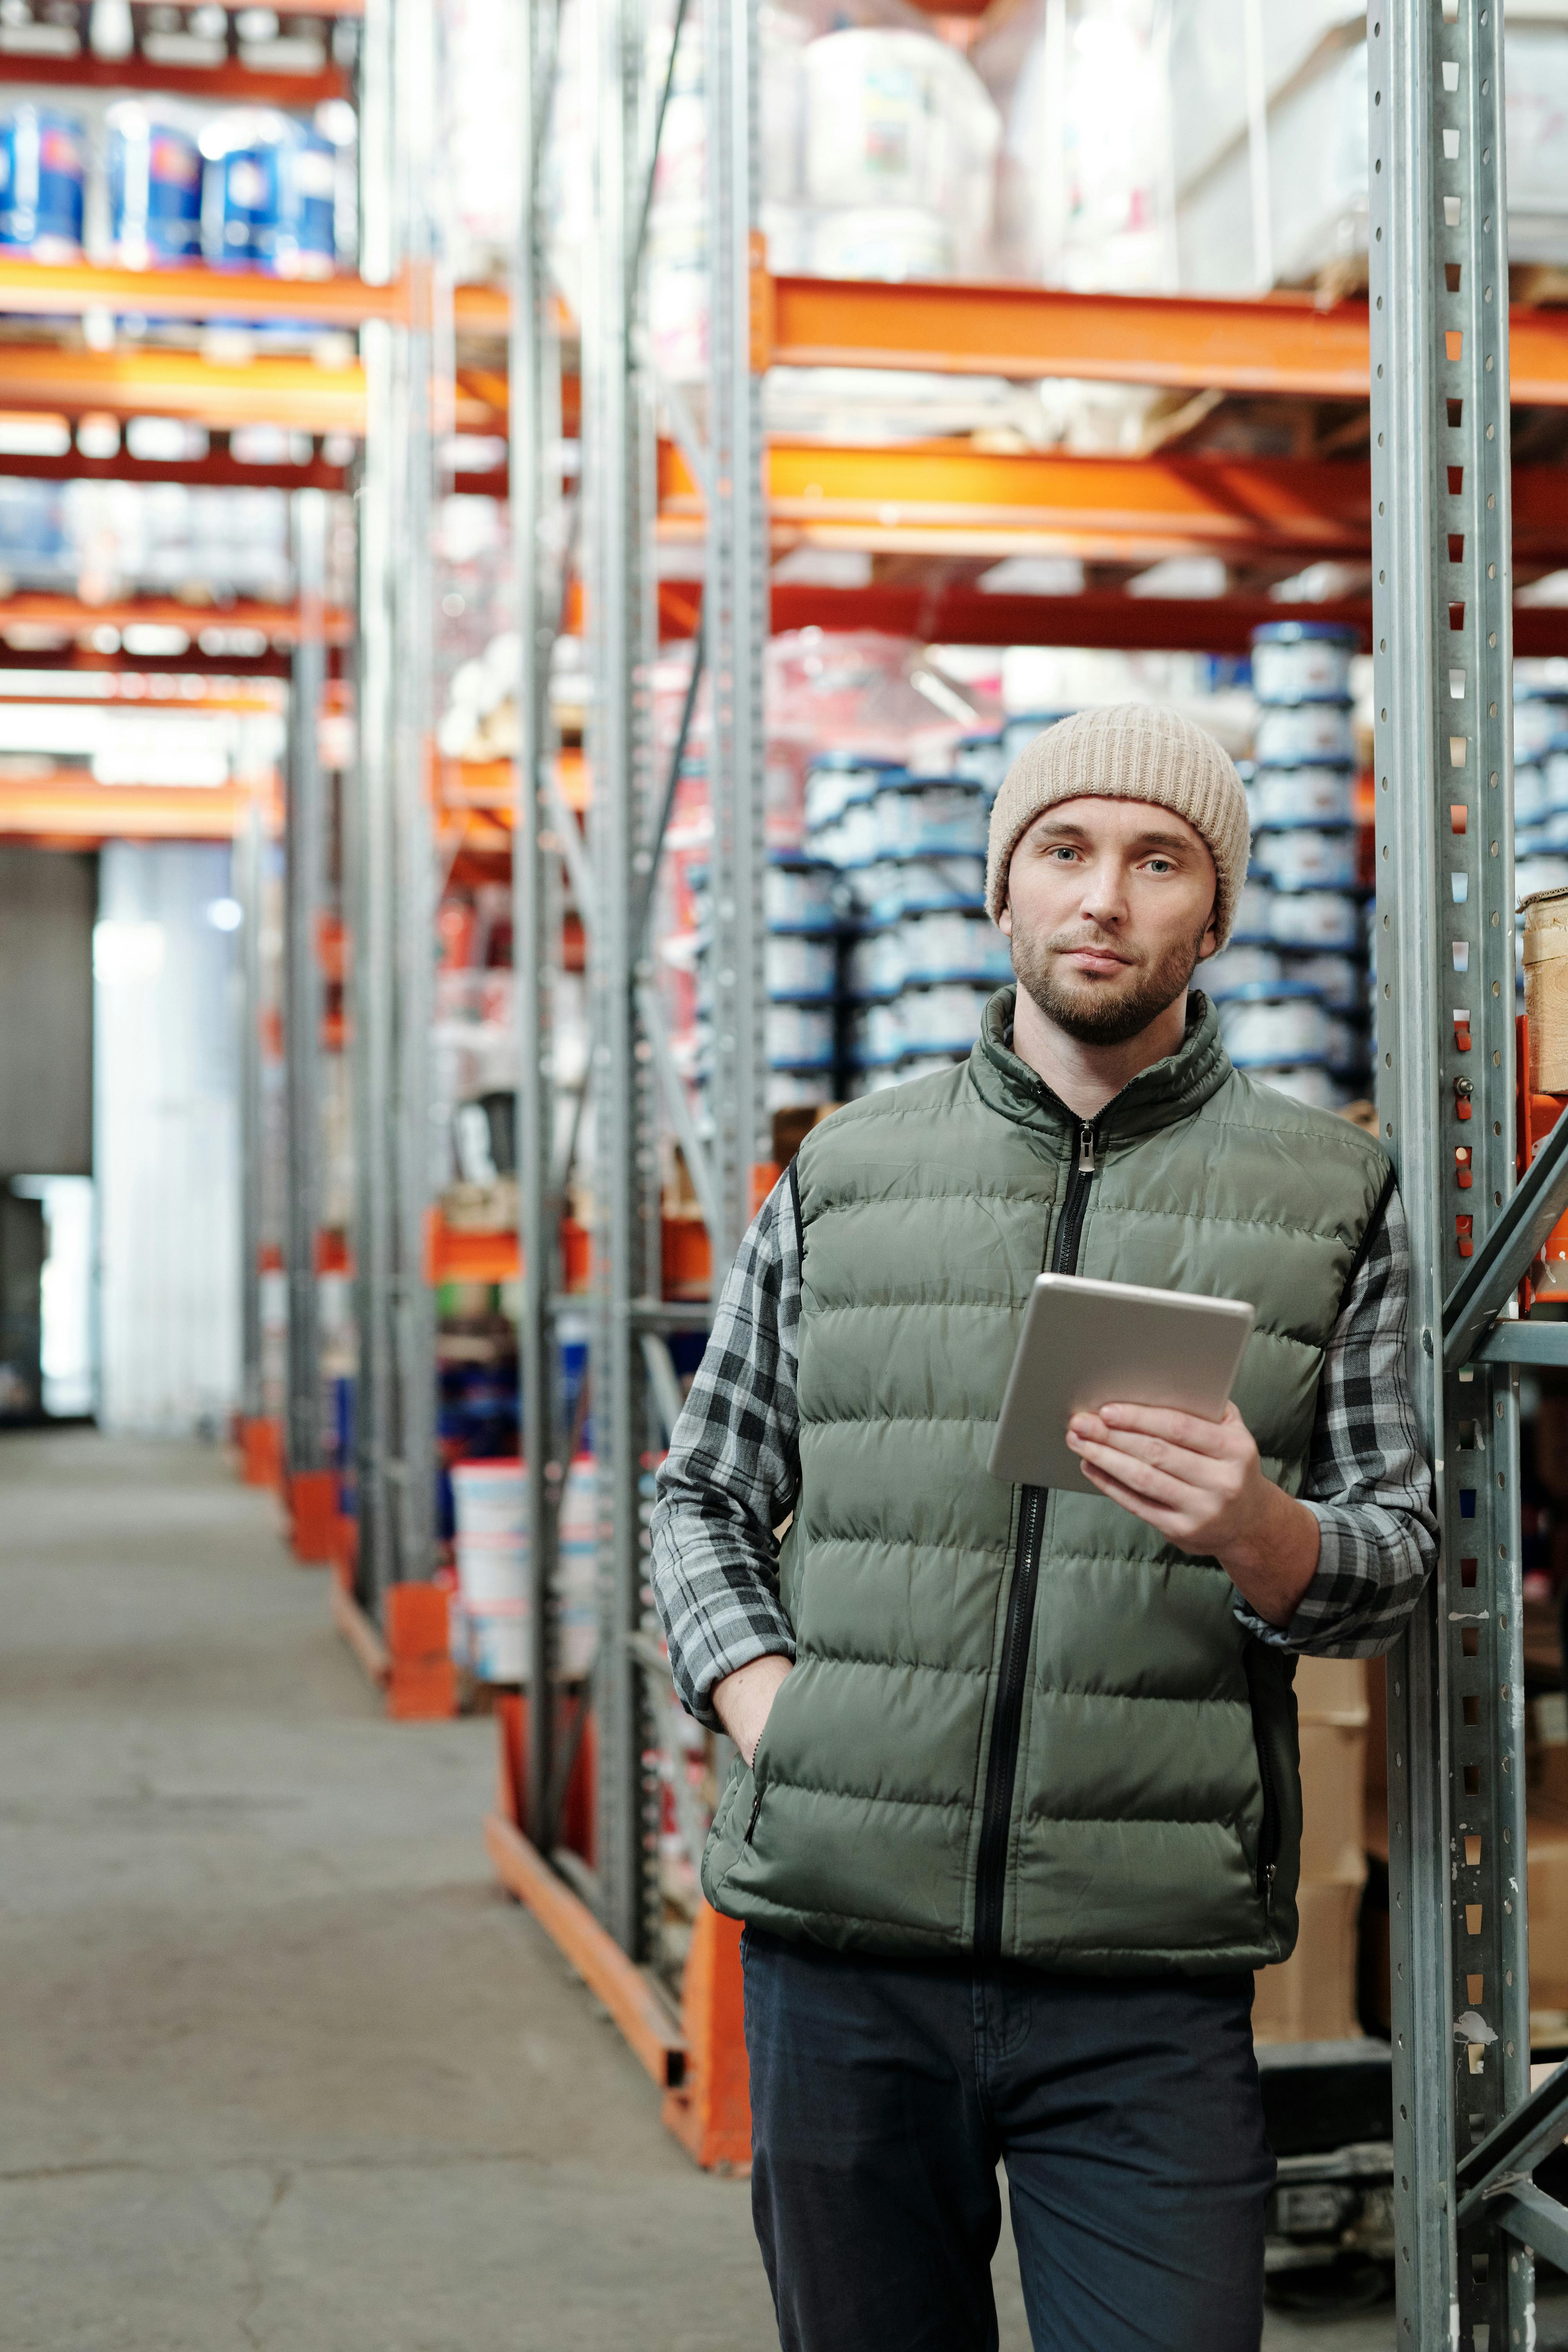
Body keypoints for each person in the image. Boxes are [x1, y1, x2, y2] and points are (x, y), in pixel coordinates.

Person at [650, 702, 1436, 2352]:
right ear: (1000, 892)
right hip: (841, 1943)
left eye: (1159, 862)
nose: (1104, 898)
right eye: (1063, 852)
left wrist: (1264, 1532)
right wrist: (771, 1714)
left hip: (1143, 1966)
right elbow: (705, 1491)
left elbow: (1398, 1552)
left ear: (1211, 915)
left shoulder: (1329, 1198)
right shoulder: (846, 1176)